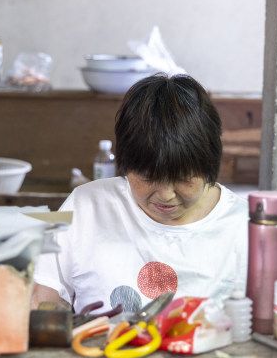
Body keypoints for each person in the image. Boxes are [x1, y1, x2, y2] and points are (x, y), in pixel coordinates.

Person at [32, 74, 248, 313]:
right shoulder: (85, 204)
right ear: (126, 165)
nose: (166, 195)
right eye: (148, 177)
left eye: (182, 178)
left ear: (210, 162)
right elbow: (43, 297)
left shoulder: (245, 227)